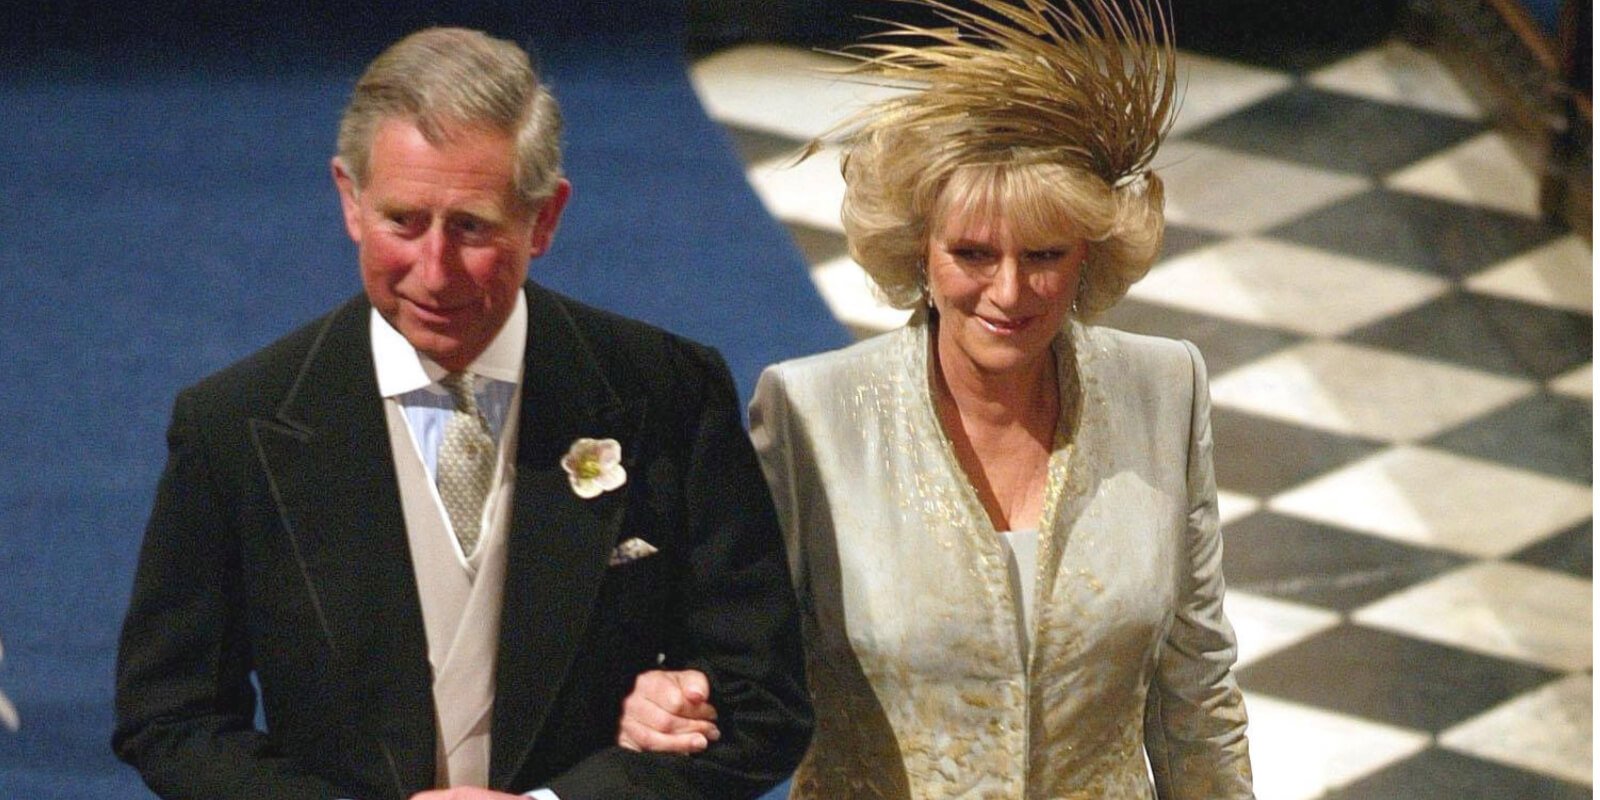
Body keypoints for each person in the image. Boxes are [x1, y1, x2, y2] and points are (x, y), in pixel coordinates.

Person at [112, 27, 811, 800]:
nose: (434, 271)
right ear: (350, 199)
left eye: (472, 227)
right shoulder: (235, 425)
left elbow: (763, 701)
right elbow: (172, 721)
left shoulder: (668, 394)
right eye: (403, 221)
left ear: (544, 220)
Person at [618, 0, 1254, 797]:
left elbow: (1196, 690)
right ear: (919, 250)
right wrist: (662, 690)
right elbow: (738, 655)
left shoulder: (1164, 386)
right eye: (974, 254)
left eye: (1046, 254)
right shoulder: (812, 413)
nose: (1010, 291)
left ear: (1090, 255)